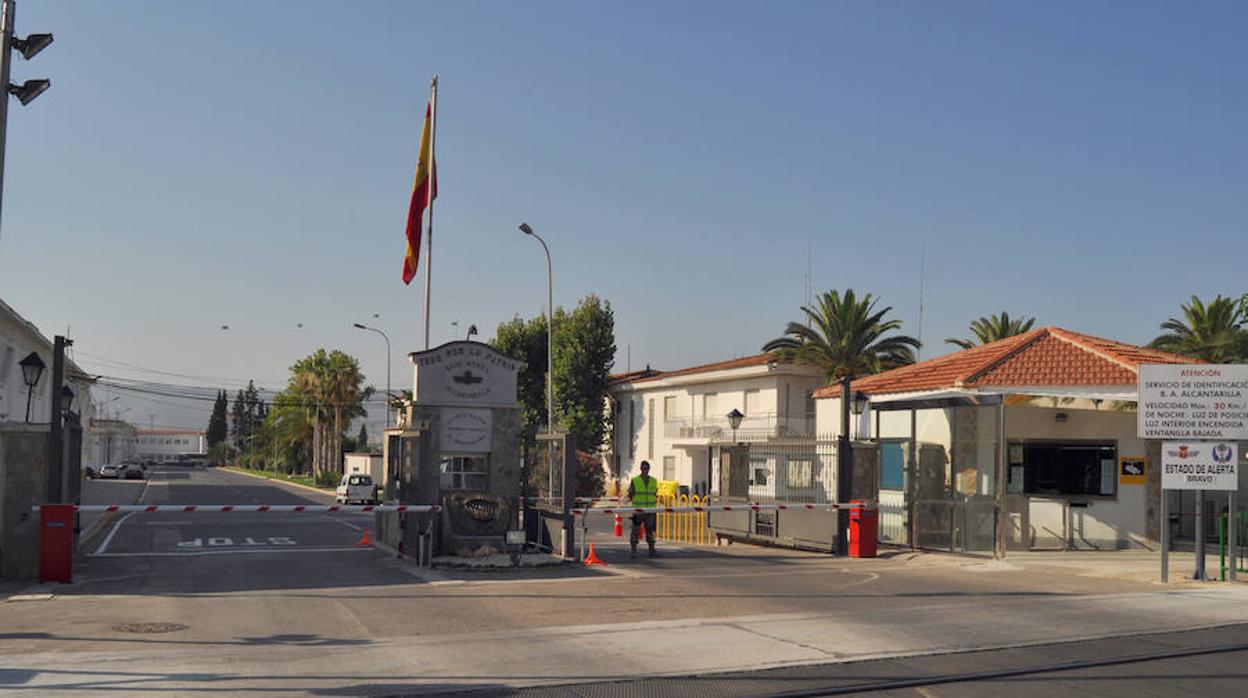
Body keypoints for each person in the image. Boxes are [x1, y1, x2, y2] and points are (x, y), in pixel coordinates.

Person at [628, 460, 659, 558]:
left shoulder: (654, 481)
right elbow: (631, 494)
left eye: (647, 468)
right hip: (638, 511)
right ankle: (634, 550)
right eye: (644, 468)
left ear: (649, 469)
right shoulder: (635, 480)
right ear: (641, 469)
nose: (645, 470)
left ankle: (652, 550)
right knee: (635, 531)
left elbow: (655, 494)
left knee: (650, 531)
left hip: (650, 510)